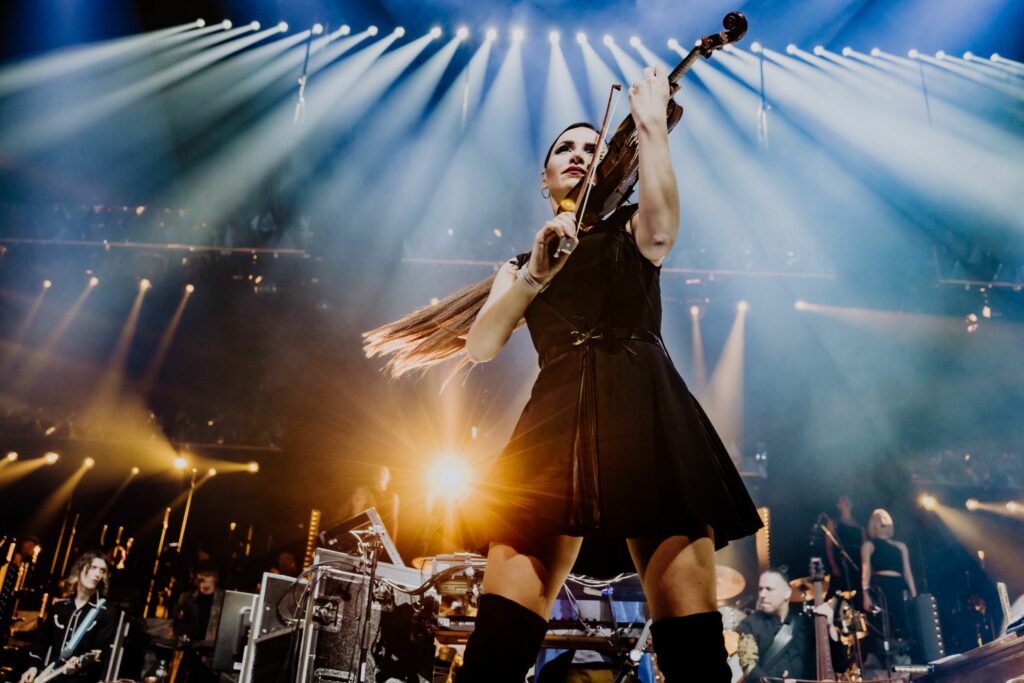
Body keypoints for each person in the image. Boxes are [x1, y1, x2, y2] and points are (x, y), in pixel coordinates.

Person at [364, 65, 762, 681]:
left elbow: (662, 232)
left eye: (590, 147)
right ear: (544, 177)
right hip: (556, 425)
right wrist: (536, 274)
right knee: (497, 647)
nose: (577, 153)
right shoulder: (522, 263)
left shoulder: (629, 229)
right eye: (564, 148)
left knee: (694, 654)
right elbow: (482, 346)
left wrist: (651, 127)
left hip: (648, 417)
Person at [20, 551, 117, 683]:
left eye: (102, 570)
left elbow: (101, 654)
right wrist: (33, 667)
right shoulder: (59, 607)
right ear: (80, 569)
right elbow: (41, 641)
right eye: (93, 567)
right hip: (50, 677)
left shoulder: (105, 611)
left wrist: (80, 665)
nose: (97, 574)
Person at [736, 568, 840, 681]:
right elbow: (748, 665)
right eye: (760, 589)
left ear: (787, 593)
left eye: (769, 589)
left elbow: (840, 665)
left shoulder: (807, 624)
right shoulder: (750, 624)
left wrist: (830, 626)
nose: (762, 594)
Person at [861, 508, 916, 638]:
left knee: (903, 622)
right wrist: (865, 594)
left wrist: (914, 593)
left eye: (885, 518)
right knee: (884, 623)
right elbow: (866, 570)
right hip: (881, 585)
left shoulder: (900, 546)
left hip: (898, 585)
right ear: (873, 524)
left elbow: (907, 571)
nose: (882, 520)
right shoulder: (869, 545)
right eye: (878, 519)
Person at [171, 561, 225, 683]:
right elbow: (177, 623)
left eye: (207, 575)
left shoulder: (223, 598)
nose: (203, 579)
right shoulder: (186, 597)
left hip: (210, 654)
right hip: (188, 652)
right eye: (201, 575)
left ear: (215, 578)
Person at [340, 464, 400, 543]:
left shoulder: (392, 497)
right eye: (378, 472)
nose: (380, 474)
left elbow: (393, 522)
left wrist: (392, 543)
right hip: (365, 533)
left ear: (389, 478)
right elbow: (353, 512)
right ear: (374, 477)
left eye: (384, 472)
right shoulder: (365, 492)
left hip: (382, 535)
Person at [825, 495, 864, 596]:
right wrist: (834, 566)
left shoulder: (860, 526)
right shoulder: (834, 523)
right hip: (841, 562)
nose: (846, 501)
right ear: (838, 505)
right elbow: (829, 547)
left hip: (856, 562)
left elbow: (864, 548)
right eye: (843, 499)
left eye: (848, 499)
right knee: (839, 594)